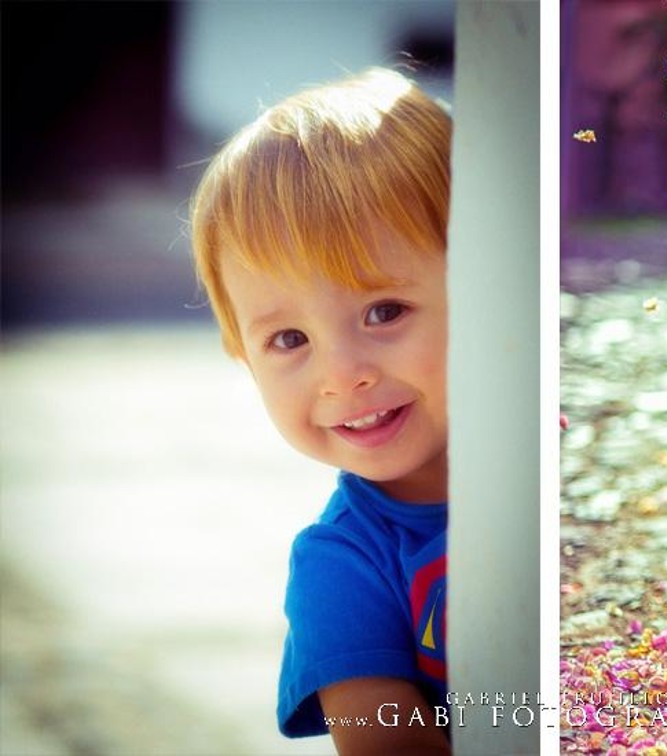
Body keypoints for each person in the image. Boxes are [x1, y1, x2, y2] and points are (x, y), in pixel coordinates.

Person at [190, 68, 453, 754]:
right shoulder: (342, 568)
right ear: (243, 357)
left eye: (384, 310)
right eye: (289, 339)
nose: (343, 375)